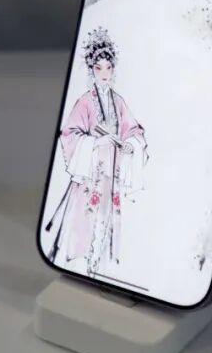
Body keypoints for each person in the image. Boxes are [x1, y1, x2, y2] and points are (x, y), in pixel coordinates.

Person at [45, 28, 148, 276]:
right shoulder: (84, 102)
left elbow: (135, 130)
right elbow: (69, 133)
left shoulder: (118, 102)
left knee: (106, 227)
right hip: (89, 177)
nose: (104, 73)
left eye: (108, 68)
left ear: (113, 70)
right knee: (83, 225)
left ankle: (101, 270)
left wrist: (131, 145)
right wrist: (94, 142)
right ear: (92, 70)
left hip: (111, 177)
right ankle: (78, 267)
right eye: (98, 68)